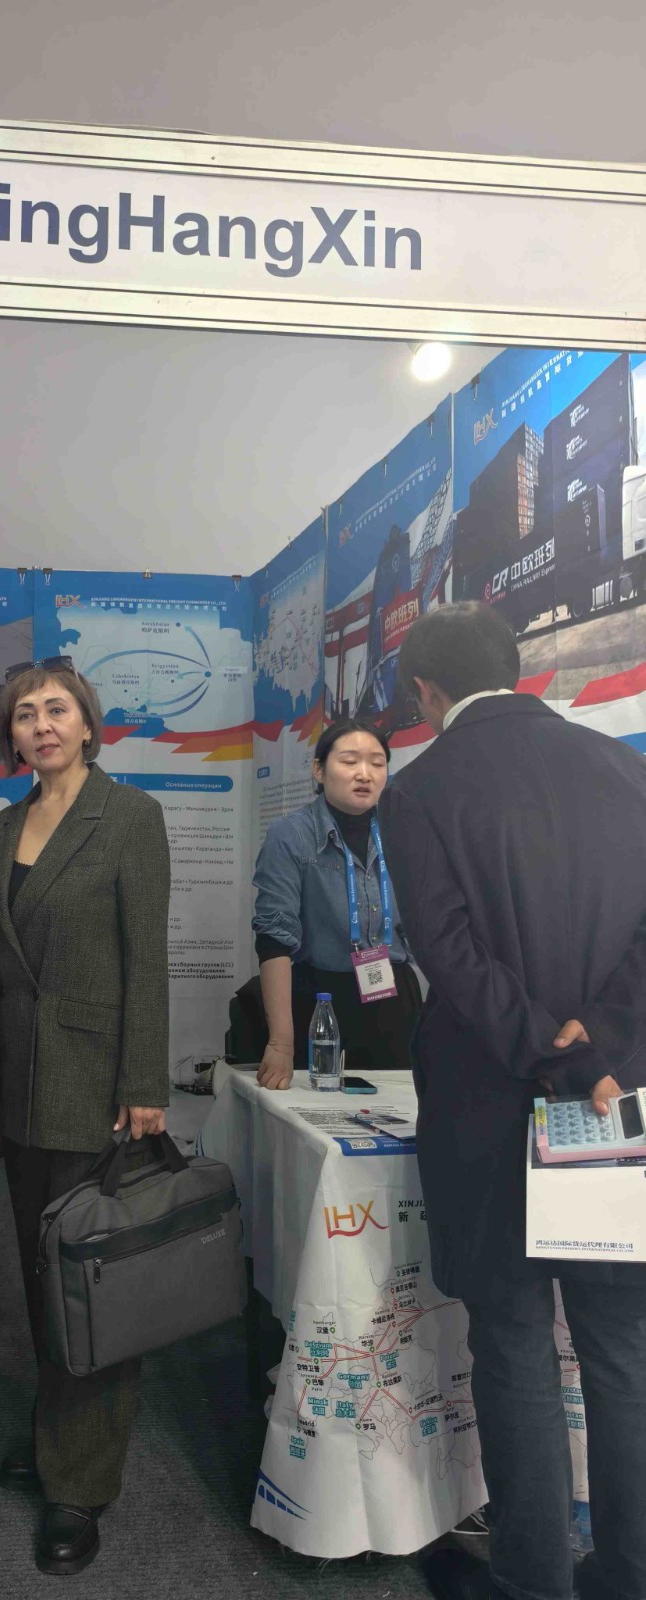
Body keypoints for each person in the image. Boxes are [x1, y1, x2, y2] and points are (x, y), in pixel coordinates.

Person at [378, 602, 646, 1600]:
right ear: (517, 666)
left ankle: (535, 1581)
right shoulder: (627, 769)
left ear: (425, 691)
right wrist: (595, 1050)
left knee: (516, 1341)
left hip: (486, 1103)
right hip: (612, 1100)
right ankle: (629, 1575)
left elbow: (448, 956)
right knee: (622, 1349)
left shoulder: (421, 789)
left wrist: (545, 1047)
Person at [0, 665, 170, 1577]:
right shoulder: (2, 824)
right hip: (18, 1084)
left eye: (56, 709)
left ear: (89, 725)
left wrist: (144, 1083)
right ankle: (58, 1433)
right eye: (25, 714)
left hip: (95, 1083)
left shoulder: (129, 816)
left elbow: (148, 958)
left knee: (89, 1287)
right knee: (37, 1272)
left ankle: (82, 1484)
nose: (41, 724)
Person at [248, 719, 421, 1088]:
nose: (365, 774)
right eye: (349, 761)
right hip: (321, 1002)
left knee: (402, 1110)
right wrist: (280, 1042)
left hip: (394, 997)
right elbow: (274, 939)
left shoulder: (404, 832)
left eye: (377, 763)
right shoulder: (291, 835)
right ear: (319, 770)